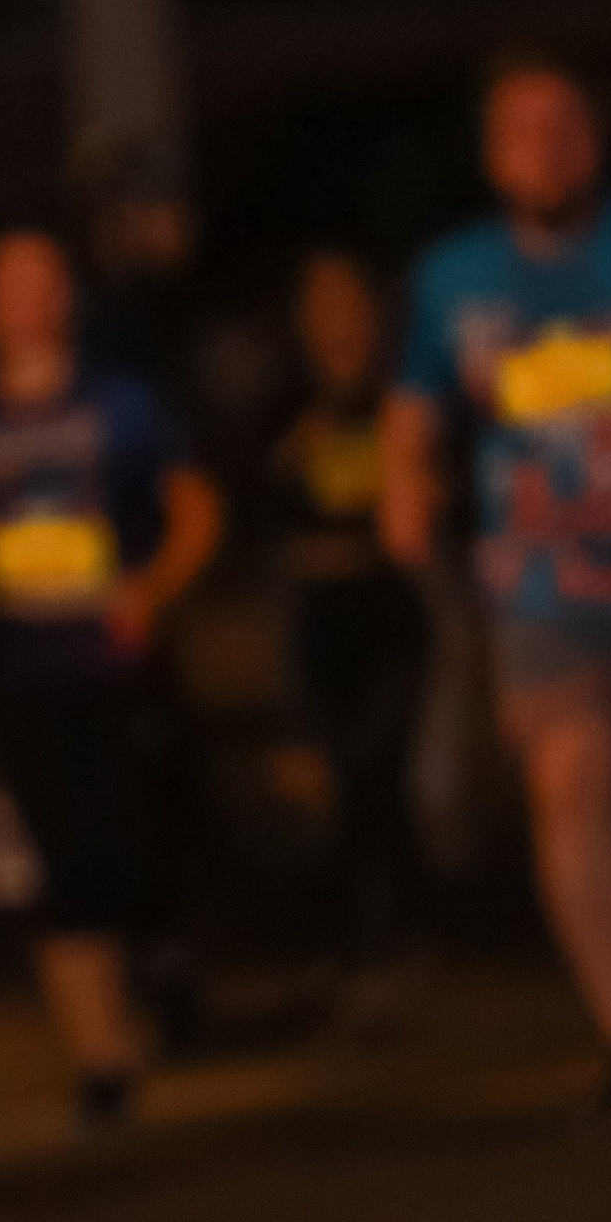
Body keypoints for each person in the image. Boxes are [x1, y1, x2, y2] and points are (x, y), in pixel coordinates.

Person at [0, 228, 224, 1124]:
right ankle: (101, 1056)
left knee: (138, 842)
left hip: (118, 666)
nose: (27, 301)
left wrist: (154, 589)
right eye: (8, 285)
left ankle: (165, 973)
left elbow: (196, 507)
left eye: (44, 282)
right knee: (54, 859)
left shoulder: (121, 398)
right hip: (24, 669)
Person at [384, 54, 611, 1103]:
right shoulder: (454, 275)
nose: (545, 149)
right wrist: (403, 484)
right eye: (520, 130)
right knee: (569, 779)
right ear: (491, 156)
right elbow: (414, 405)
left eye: (564, 124)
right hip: (544, 582)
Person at [267, 250, 429, 1015]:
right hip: (314, 610)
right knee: (323, 786)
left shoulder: (403, 392)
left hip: (388, 607)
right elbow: (260, 508)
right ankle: (339, 949)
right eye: (320, 302)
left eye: (349, 300)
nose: (336, 318)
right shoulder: (285, 403)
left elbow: (433, 489)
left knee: (378, 774)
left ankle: (388, 951)